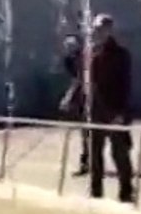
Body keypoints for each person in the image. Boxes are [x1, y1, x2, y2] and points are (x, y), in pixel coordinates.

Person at [85, 14, 134, 202]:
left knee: (119, 153)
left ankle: (126, 191)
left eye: (102, 28)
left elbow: (125, 85)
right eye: (96, 28)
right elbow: (87, 83)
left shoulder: (121, 54)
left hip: (115, 110)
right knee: (95, 153)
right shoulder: (92, 53)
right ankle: (96, 192)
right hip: (96, 111)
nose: (98, 32)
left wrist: (121, 112)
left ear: (109, 30)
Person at [56, 34, 90, 176]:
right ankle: (86, 163)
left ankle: (88, 162)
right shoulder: (68, 60)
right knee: (85, 131)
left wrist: (68, 97)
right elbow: (76, 79)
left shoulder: (85, 57)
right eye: (67, 45)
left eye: (72, 44)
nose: (69, 47)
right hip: (82, 98)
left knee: (92, 131)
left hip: (93, 97)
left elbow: (81, 79)